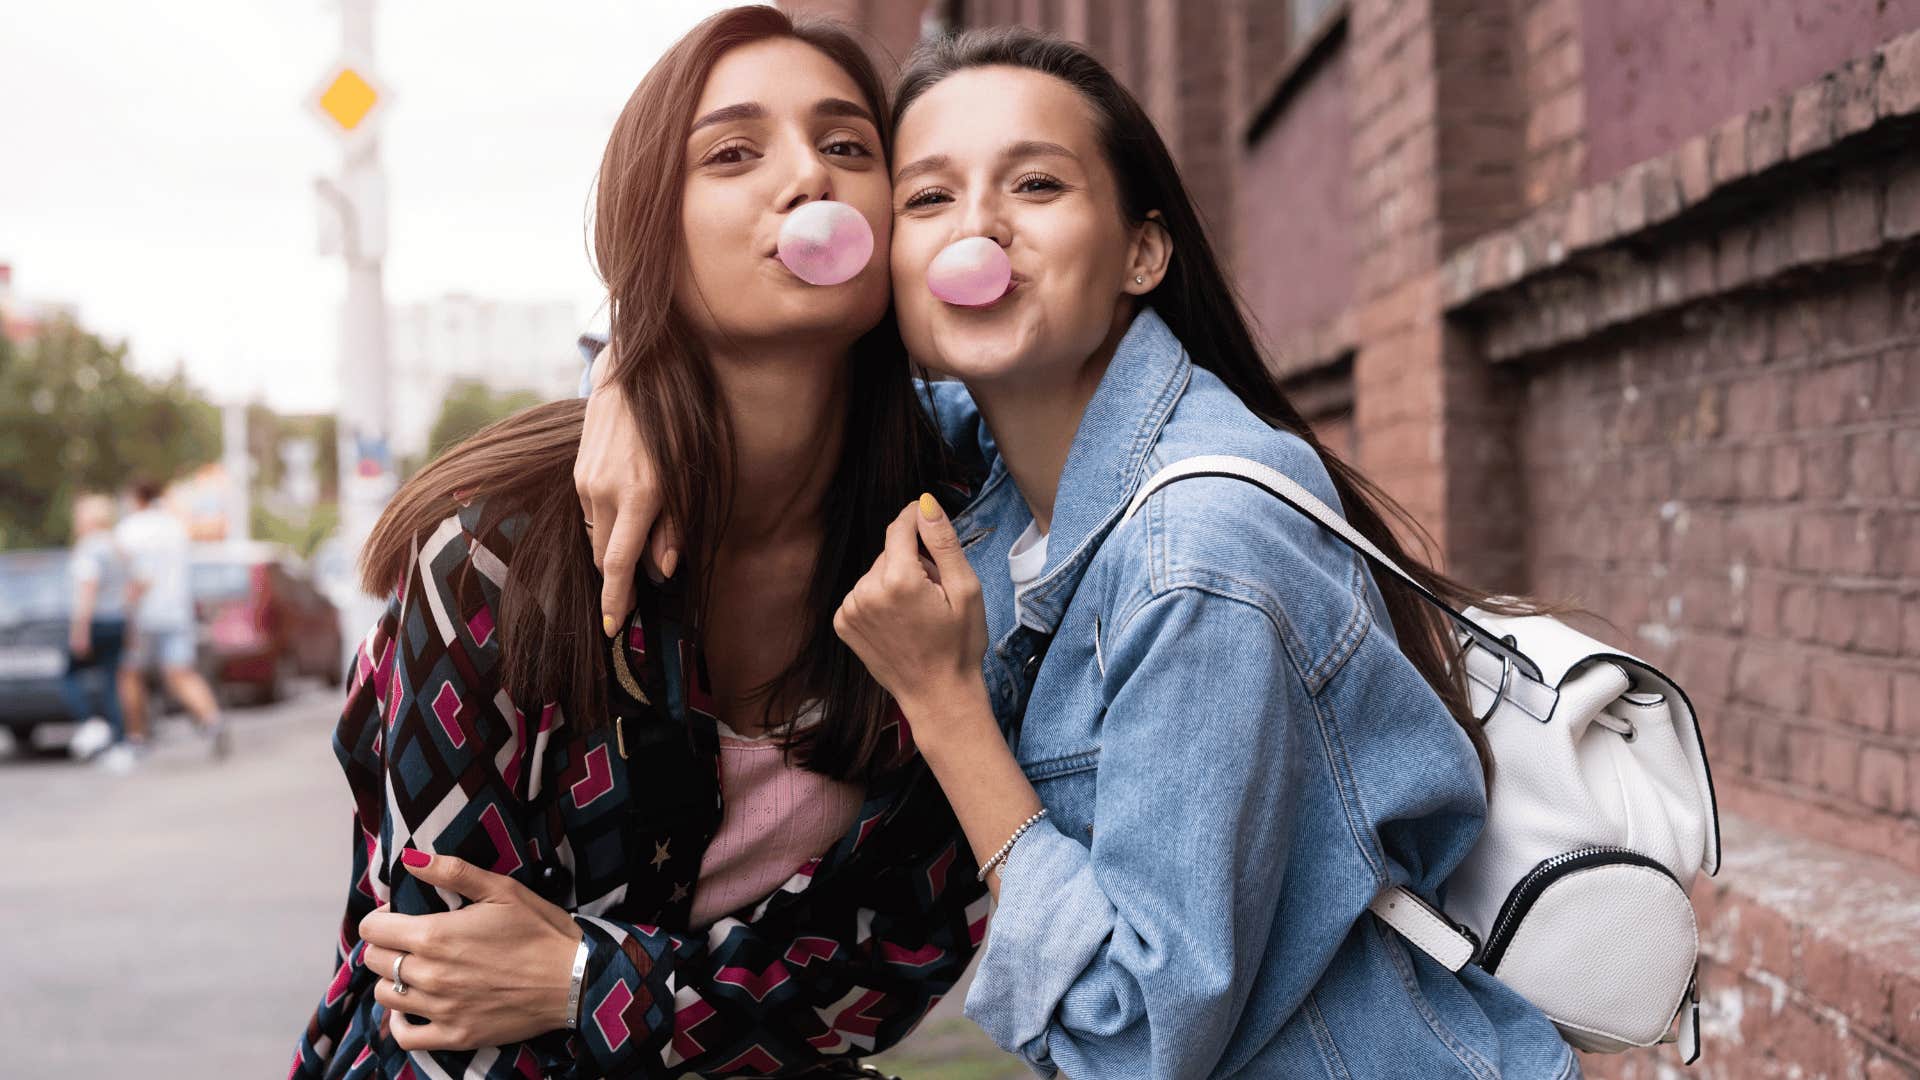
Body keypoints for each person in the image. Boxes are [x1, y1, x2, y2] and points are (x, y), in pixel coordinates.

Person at [581, 27, 1580, 1079]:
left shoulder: (1197, 558)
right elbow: (785, 402)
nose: (980, 233)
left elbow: (1140, 1039)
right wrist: (628, 378)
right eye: (927, 200)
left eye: (1038, 184)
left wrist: (946, 707)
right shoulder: (1005, 462)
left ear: (1142, 252)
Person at [290, 10, 985, 1078]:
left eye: (849, 145)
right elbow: (440, 994)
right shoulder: (494, 554)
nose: (810, 176)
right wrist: (698, 1001)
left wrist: (589, 982)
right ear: (652, 231)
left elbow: (884, 975)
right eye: (734, 152)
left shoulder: (947, 553)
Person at [115, 477, 228, 760]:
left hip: (142, 616)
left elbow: (135, 579)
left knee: (130, 675)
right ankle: (213, 721)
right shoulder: (175, 527)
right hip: (177, 612)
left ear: (136, 499)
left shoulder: (128, 530)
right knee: (181, 674)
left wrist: (124, 608)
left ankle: (137, 738)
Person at [63, 493, 132, 770]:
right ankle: (120, 744)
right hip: (117, 621)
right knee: (111, 684)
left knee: (68, 674)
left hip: (96, 621)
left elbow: (87, 589)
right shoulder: (117, 547)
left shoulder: (89, 547)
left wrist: (80, 630)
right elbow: (133, 587)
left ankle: (91, 723)